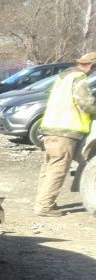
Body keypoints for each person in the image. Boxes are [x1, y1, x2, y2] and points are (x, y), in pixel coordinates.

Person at [33, 52, 96, 217]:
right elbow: (86, 104)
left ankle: (42, 202)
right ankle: (45, 206)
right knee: (58, 169)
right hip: (65, 131)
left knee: (49, 168)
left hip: (51, 128)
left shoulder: (64, 77)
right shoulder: (79, 78)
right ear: (91, 66)